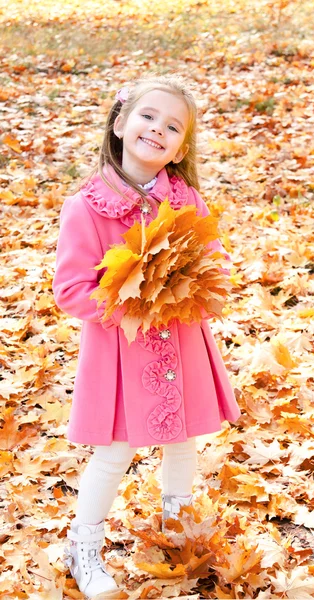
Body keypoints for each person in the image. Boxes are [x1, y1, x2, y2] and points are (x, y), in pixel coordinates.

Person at [52, 73, 241, 598]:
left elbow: (214, 258)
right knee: (114, 452)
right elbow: (69, 289)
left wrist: (204, 283)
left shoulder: (187, 201)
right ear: (120, 123)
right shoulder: (87, 206)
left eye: (173, 126)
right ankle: (83, 546)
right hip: (121, 354)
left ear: (182, 147)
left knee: (182, 442)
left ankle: (177, 532)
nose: (158, 129)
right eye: (148, 116)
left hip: (180, 346)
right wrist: (133, 297)